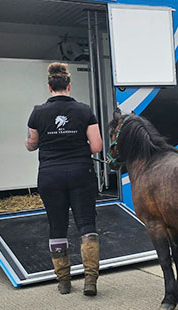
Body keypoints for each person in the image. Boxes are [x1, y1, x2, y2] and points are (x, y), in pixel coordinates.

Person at [25, 63, 103, 296]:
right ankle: (90, 280)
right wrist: (77, 149)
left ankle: (64, 282)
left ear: (50, 87)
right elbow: (97, 146)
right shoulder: (84, 110)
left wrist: (37, 143)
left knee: (57, 226)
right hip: (81, 172)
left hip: (50, 175)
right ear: (69, 85)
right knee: (86, 225)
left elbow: (31, 144)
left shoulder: (37, 112)